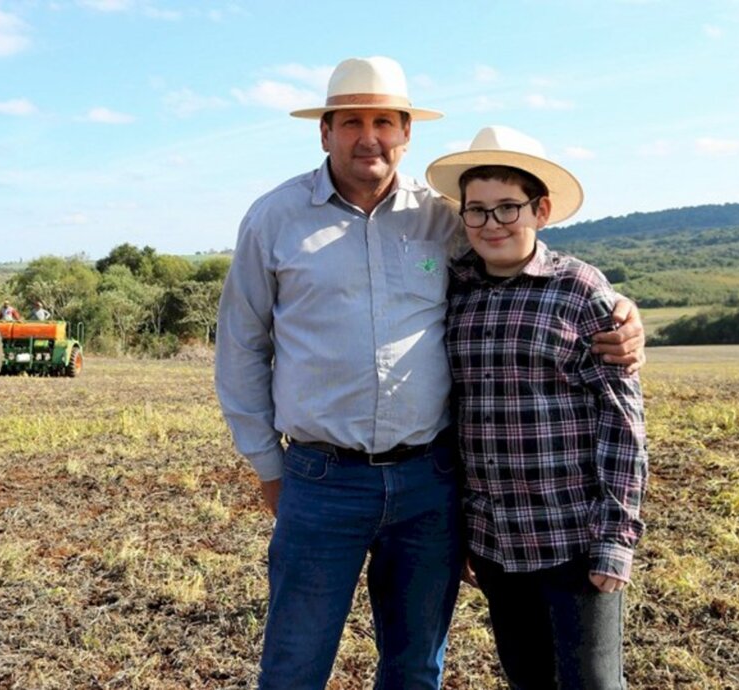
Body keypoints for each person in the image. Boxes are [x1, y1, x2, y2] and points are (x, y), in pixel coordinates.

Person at [215, 57, 645, 690]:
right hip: (321, 477)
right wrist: (268, 466)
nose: (370, 137)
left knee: (416, 667)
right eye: (352, 121)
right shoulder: (274, 219)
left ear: (407, 132)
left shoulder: (440, 218)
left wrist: (623, 318)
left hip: (429, 483)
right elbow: (240, 347)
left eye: (385, 121)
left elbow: (527, 265)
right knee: (294, 664)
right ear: (324, 132)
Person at [426, 125, 648, 689]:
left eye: (507, 208)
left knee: (591, 684)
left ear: (541, 209)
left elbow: (622, 426)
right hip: (495, 540)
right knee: (527, 679)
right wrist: (466, 534)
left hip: (572, 537)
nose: (491, 224)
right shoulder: (456, 291)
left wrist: (615, 540)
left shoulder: (582, 292)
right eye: (476, 211)